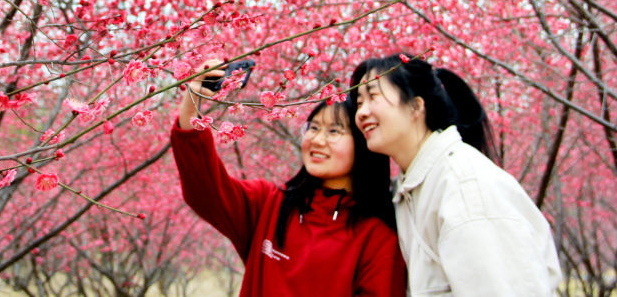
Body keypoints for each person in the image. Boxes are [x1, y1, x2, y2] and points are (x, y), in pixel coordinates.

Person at [171, 61, 407, 297]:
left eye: (334, 131)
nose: (317, 140)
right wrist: (192, 102)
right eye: (313, 128)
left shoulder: (377, 236)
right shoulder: (270, 205)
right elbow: (206, 190)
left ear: (363, 144)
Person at [351, 54, 561, 296]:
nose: (362, 113)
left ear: (416, 107)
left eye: (373, 97)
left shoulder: (465, 187)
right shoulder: (414, 189)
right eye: (359, 102)